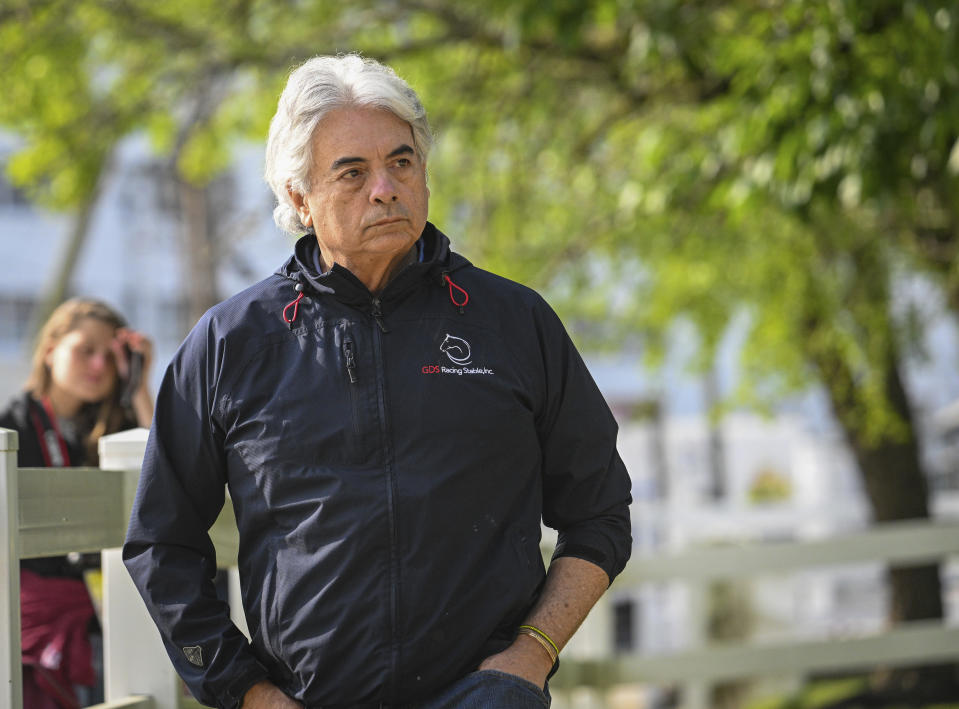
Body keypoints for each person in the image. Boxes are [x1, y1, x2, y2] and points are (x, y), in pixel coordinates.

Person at [123, 54, 632, 709]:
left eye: (401, 162)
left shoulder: (515, 321)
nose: (385, 188)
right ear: (299, 197)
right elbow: (161, 540)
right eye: (352, 172)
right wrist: (246, 691)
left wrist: (529, 654)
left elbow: (599, 512)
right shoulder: (230, 343)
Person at [0, 297, 154, 709]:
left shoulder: (114, 429)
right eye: (85, 350)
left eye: (110, 355)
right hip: (29, 627)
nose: (99, 366)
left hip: (104, 618)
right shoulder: (10, 427)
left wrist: (138, 387)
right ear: (50, 350)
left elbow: (165, 474)